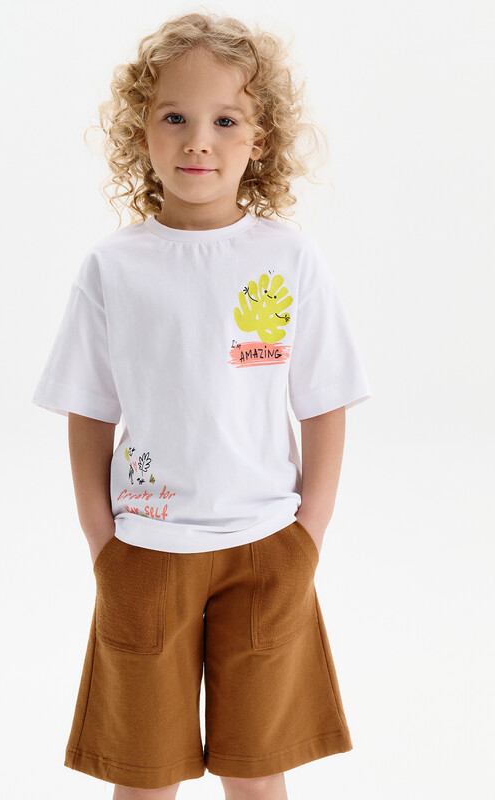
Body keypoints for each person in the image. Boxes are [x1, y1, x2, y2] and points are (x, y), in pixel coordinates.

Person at [31, 12, 372, 799]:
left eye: (225, 120)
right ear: (140, 132)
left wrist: (309, 535)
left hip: (268, 550)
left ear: (260, 139)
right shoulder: (113, 268)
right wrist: (102, 541)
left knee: (256, 772)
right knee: (144, 776)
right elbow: (90, 412)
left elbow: (325, 403)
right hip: (146, 552)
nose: (198, 141)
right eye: (174, 117)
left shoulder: (289, 259)